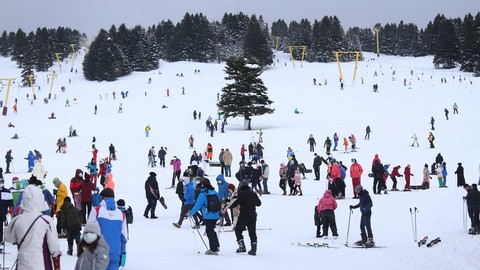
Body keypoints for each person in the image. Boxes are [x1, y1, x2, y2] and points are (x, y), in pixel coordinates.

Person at [6, 185, 62, 269]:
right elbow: (54, 248)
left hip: (22, 264)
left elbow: (9, 238)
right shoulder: (46, 221)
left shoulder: (17, 220)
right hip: (42, 263)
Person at [88, 188, 127, 270]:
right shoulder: (121, 214)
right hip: (115, 253)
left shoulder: (96, 211)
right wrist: (122, 253)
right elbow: (123, 237)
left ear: (102, 198)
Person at [188, 178, 221, 255]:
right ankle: (216, 246)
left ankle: (214, 249)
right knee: (211, 231)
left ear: (202, 185)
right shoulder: (214, 191)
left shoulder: (203, 194)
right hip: (215, 215)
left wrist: (190, 213)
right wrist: (220, 213)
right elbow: (219, 203)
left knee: (210, 232)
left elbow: (197, 205)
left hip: (208, 216)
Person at [229, 180, 262, 256]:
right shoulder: (253, 193)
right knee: (252, 232)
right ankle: (254, 249)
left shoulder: (242, 194)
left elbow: (236, 203)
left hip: (244, 215)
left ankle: (242, 247)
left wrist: (229, 206)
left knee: (238, 230)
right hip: (253, 215)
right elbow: (259, 203)